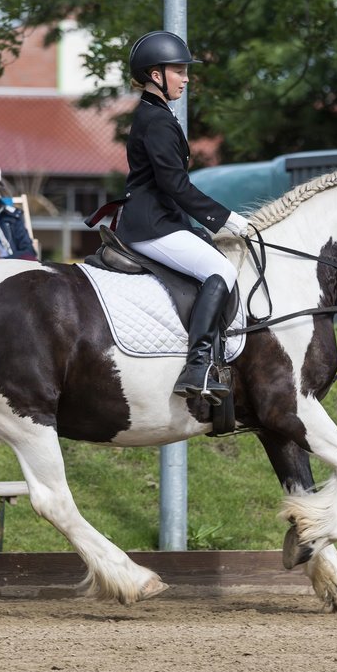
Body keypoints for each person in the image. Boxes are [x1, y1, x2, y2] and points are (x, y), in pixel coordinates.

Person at [115, 30, 253, 404]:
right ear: (155, 74)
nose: (186, 77)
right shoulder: (157, 120)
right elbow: (175, 185)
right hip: (151, 224)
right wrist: (226, 219)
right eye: (179, 70)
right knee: (221, 271)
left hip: (159, 218)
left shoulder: (155, 114)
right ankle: (197, 367)